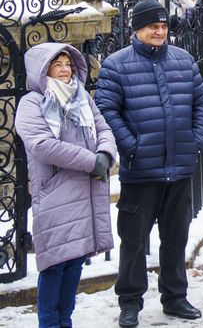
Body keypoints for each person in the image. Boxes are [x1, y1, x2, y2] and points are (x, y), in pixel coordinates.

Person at [95, 0, 203, 328]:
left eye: (163, 26)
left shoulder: (183, 60)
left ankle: (175, 296)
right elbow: (106, 110)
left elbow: (201, 102)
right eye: (152, 26)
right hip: (141, 170)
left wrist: (196, 140)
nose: (159, 32)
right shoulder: (116, 65)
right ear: (137, 29)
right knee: (134, 240)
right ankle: (130, 301)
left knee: (176, 237)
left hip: (179, 167)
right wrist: (131, 146)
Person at [15, 43, 116, 327]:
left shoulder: (81, 96)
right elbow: (42, 144)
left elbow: (103, 128)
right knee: (54, 265)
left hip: (86, 193)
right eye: (57, 64)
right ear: (42, 69)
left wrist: (105, 154)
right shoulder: (32, 103)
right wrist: (91, 161)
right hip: (56, 194)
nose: (65, 69)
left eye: (68, 64)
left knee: (74, 264)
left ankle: (65, 322)